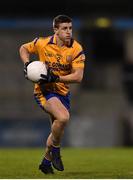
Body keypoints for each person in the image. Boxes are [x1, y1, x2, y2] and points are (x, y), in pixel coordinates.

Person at [19, 15, 85, 174]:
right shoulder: (43, 43)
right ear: (56, 30)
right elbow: (23, 48)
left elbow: (78, 77)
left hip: (63, 93)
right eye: (64, 28)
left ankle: (46, 162)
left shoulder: (76, 48)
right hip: (44, 91)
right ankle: (55, 151)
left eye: (70, 28)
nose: (68, 32)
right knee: (63, 118)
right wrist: (27, 64)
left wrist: (56, 77)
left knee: (57, 129)